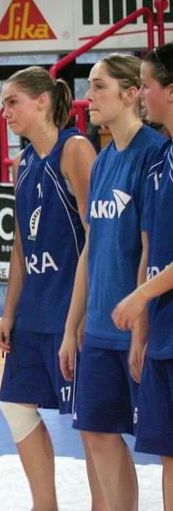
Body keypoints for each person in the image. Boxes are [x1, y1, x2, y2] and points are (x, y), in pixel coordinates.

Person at [60, 53, 167, 511]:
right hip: (101, 329)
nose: (88, 96)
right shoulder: (103, 160)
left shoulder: (153, 153)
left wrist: (140, 327)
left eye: (99, 86)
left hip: (138, 328)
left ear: (131, 93)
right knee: (97, 432)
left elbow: (149, 247)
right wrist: (72, 326)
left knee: (162, 445)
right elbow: (91, 247)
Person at [0, 66, 95, 511]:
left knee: (92, 426)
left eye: (13, 102)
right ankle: (44, 504)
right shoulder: (23, 162)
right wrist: (8, 313)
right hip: (33, 311)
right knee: (15, 406)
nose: (5, 112)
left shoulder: (74, 149)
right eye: (3, 104)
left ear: (42, 101)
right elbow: (20, 244)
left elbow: (97, 234)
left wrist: (84, 314)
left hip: (68, 309)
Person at [112, 42, 173, 511]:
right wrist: (143, 329)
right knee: (169, 451)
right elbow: (152, 249)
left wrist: (138, 298)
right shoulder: (162, 159)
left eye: (147, 86)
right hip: (164, 331)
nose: (141, 95)